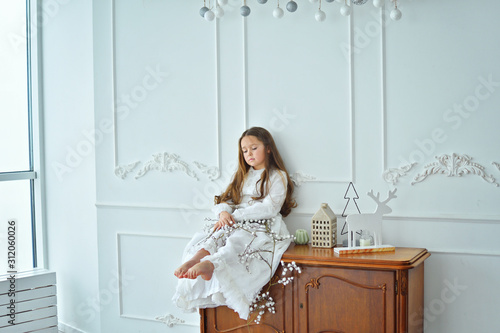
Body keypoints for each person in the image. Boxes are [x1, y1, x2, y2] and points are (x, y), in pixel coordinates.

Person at [172, 127, 297, 320]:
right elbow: (225, 199)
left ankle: (211, 264)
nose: (249, 154)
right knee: (216, 234)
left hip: (261, 223)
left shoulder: (276, 175)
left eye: (254, 148)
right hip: (234, 220)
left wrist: (236, 216)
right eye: (245, 151)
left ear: (268, 148)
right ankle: (196, 258)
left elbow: (270, 208)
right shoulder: (242, 175)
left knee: (238, 241)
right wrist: (223, 213)